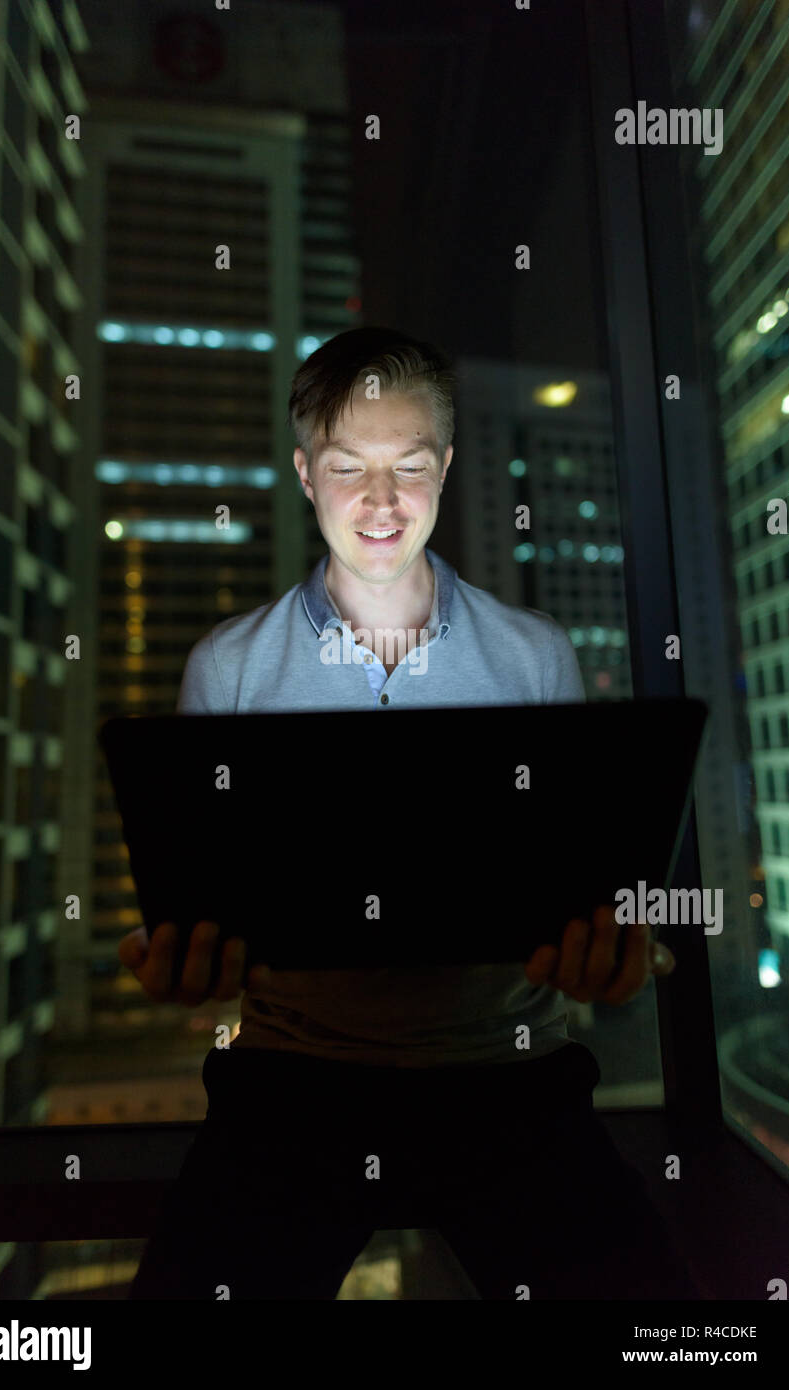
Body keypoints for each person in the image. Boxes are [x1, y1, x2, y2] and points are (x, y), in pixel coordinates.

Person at [120, 325, 700, 1301]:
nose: (381, 501)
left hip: (507, 1072)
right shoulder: (228, 665)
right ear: (306, 474)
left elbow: (584, 886)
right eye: (350, 466)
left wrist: (620, 954)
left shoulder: (533, 652)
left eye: (410, 467)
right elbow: (196, 903)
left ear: (447, 469)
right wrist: (185, 964)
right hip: (293, 1080)